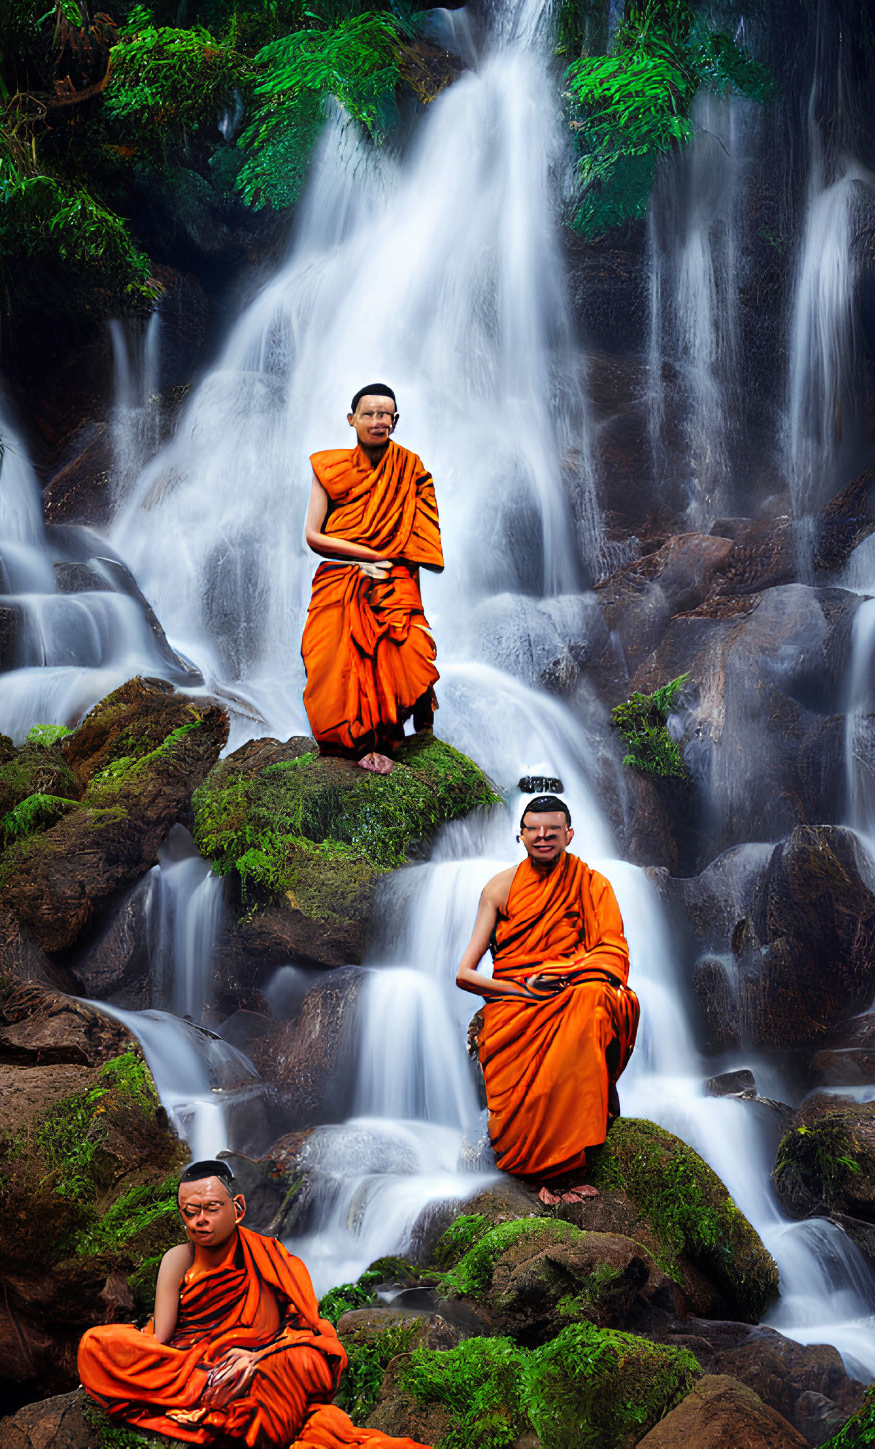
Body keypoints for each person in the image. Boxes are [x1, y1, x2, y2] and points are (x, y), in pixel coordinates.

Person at [77, 1160, 428, 1448]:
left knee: (297, 1364)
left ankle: (230, 1395)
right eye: (190, 1212)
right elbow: (161, 1339)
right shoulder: (177, 1259)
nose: (200, 1221)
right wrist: (154, 1350)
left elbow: (311, 1334)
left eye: (211, 1208)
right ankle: (211, 1390)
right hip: (194, 1364)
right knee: (96, 1344)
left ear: (238, 1208)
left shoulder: (274, 1259)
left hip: (262, 1361)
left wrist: (257, 1357)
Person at [453, 796, 641, 1204]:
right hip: (515, 1004)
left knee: (598, 1000)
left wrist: (561, 975)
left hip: (570, 992)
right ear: (520, 835)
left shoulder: (593, 885)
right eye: (533, 830)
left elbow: (613, 954)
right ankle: (535, 1168)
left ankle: (569, 1165)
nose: (542, 838)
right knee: (578, 1006)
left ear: (568, 835)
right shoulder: (499, 889)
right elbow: (464, 973)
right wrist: (524, 991)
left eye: (552, 831)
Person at [301, 384, 443, 774]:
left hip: (395, 579)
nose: (378, 421)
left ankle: (406, 735)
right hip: (341, 574)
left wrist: (405, 591)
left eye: (386, 415)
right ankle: (356, 745)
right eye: (369, 414)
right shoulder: (329, 468)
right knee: (335, 657)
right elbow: (313, 536)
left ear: (395, 422)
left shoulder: (411, 468)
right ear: (352, 419)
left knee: (411, 647)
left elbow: (416, 543)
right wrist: (365, 557)